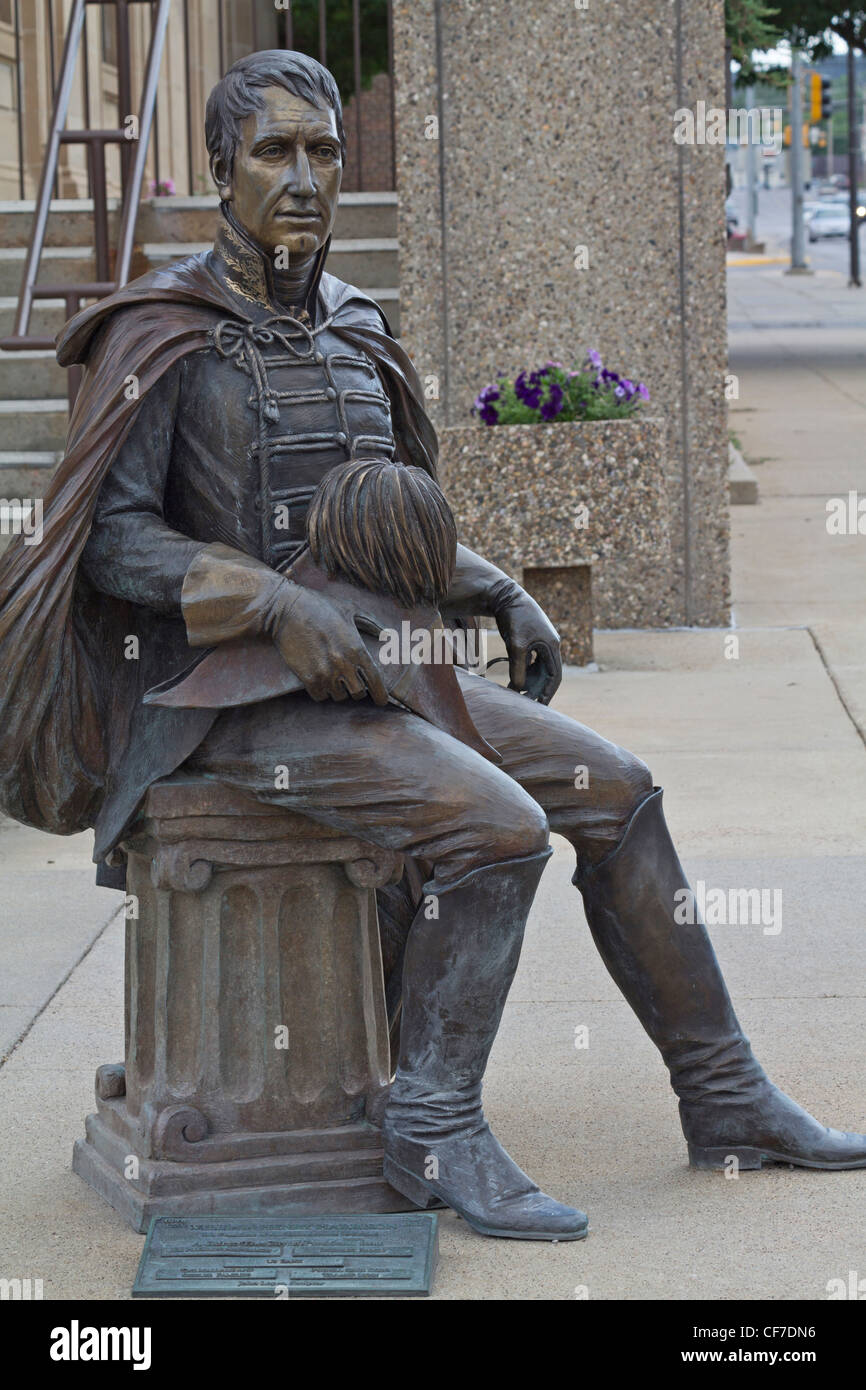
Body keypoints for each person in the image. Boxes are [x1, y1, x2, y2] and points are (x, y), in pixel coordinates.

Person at [1, 51, 863, 1244]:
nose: (302, 177)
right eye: (273, 151)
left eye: (320, 152)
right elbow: (108, 543)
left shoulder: (357, 325)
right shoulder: (162, 333)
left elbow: (383, 511)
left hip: (379, 670)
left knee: (615, 790)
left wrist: (489, 585)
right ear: (218, 170)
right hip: (226, 703)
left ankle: (724, 1096)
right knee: (497, 827)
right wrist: (264, 601)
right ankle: (433, 1119)